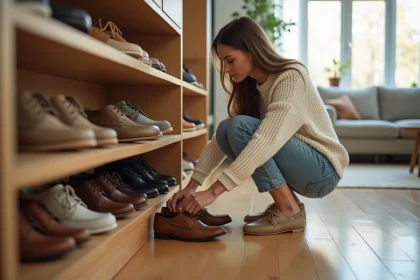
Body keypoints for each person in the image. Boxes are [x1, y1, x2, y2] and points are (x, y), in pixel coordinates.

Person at [167, 16, 349, 235]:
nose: (225, 69)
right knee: (226, 129)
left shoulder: (291, 77)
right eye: (223, 62)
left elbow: (266, 141)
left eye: (230, 60)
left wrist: (213, 192)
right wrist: (192, 186)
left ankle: (288, 209)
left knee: (239, 128)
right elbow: (220, 140)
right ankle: (287, 206)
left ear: (252, 53)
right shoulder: (251, 86)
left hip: (322, 171)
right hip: (304, 166)